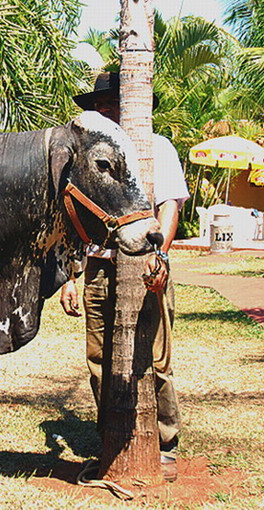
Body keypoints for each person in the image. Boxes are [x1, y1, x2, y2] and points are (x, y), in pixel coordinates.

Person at [59, 72, 189, 482]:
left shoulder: (158, 147)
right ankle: (111, 436)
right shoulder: (92, 155)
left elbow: (170, 205)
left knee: (155, 356)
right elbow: (75, 212)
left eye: (116, 103)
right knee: (99, 358)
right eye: (102, 105)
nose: (109, 110)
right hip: (99, 264)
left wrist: (160, 255)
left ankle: (164, 442)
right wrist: (71, 274)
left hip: (147, 262)